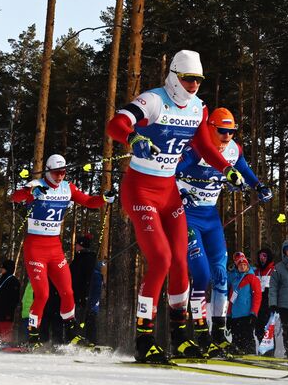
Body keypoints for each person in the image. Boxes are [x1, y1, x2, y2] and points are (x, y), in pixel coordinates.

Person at [104, 49, 242, 362]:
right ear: (174, 75)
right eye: (188, 78)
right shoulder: (153, 100)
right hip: (140, 189)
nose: (193, 85)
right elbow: (116, 124)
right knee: (161, 259)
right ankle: (144, 338)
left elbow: (205, 147)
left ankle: (181, 336)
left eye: (198, 80)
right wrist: (133, 138)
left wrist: (226, 168)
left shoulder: (198, 109)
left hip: (168, 192)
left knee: (181, 260)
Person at [177, 107, 273, 356]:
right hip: (188, 216)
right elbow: (169, 172)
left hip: (210, 217)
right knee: (201, 272)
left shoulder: (233, 150)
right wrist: (180, 192)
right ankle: (200, 334)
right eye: (222, 131)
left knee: (220, 274)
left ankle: (218, 332)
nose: (227, 136)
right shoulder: (196, 147)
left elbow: (244, 169)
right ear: (210, 128)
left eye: (231, 131)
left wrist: (259, 186)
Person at [8, 154, 108, 347]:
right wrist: (30, 192)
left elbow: (88, 201)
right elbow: (15, 197)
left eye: (63, 172)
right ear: (48, 170)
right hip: (35, 247)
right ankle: (33, 335)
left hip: (54, 247)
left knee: (67, 291)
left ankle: (71, 332)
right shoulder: (36, 183)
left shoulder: (67, 188)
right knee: (43, 294)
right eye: (56, 172)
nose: (60, 176)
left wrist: (104, 198)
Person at [226, 252, 262, 355]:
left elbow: (257, 297)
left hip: (247, 315)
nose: (242, 266)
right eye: (240, 265)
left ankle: (250, 354)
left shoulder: (252, 278)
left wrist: (254, 312)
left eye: (244, 265)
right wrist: (229, 316)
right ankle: (237, 355)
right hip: (235, 316)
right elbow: (231, 300)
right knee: (236, 339)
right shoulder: (234, 281)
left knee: (248, 338)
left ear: (247, 266)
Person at [69, 233, 99, 345]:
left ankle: (90, 340)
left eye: (77, 244)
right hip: (76, 295)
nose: (75, 247)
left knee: (87, 317)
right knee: (78, 318)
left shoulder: (87, 259)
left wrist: (85, 295)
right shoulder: (78, 259)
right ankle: (77, 339)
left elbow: (87, 279)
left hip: (84, 295)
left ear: (81, 245)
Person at [253, 246, 275, 346]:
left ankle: (268, 351)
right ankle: (262, 347)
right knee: (258, 328)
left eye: (264, 256)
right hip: (257, 304)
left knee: (268, 328)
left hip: (269, 304)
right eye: (260, 256)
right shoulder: (256, 271)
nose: (262, 258)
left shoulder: (274, 270)